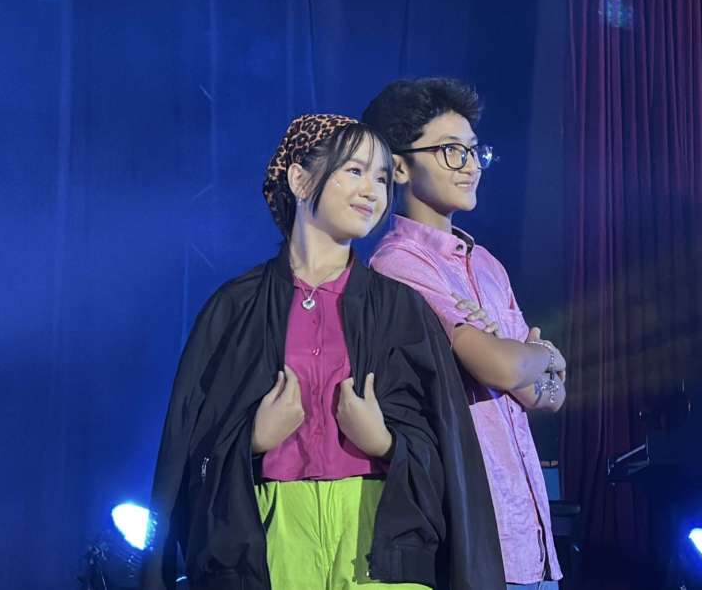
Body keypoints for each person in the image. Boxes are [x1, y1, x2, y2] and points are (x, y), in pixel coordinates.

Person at [142, 114, 503, 590]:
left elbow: (448, 448)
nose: (372, 190)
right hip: (275, 532)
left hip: (381, 534)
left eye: (381, 178)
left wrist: (384, 442)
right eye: (354, 171)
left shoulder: (401, 309)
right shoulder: (235, 308)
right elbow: (189, 449)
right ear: (300, 179)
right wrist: (251, 438)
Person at [364, 79, 567, 590]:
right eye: (452, 151)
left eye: (475, 151)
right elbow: (502, 368)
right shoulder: (398, 263)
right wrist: (541, 354)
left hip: (532, 539)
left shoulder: (489, 265)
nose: (471, 166)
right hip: (475, 538)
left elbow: (547, 396)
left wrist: (528, 359)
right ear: (400, 167)